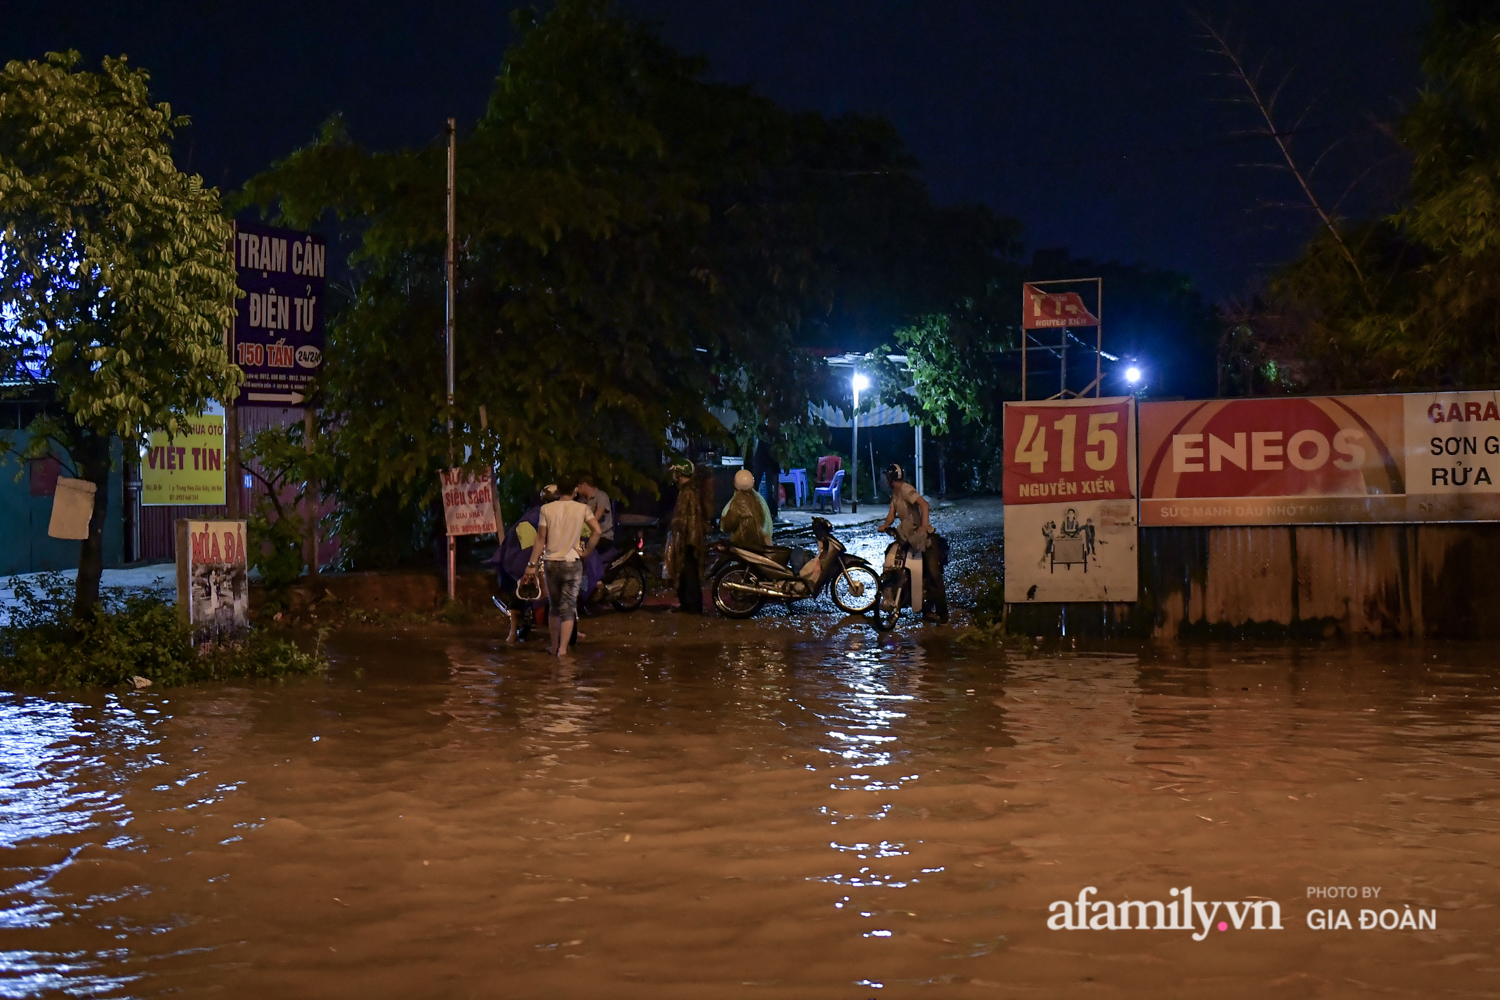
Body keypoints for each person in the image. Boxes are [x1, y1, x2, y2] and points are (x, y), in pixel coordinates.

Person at [523, 476, 602, 657]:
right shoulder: (582, 508)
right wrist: (586, 552)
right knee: (568, 607)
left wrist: (531, 564)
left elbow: (541, 538)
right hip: (572, 562)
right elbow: (597, 531)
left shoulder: (546, 509)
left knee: (554, 607)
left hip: (551, 562)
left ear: (558, 490)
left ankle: (553, 645)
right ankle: (563, 650)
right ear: (575, 490)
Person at [877, 462, 947, 623]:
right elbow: (891, 514)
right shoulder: (895, 493)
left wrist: (923, 526)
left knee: (933, 575)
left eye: (887, 477)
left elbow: (924, 504)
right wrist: (885, 526)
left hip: (926, 538)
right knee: (895, 563)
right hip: (908, 538)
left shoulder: (906, 489)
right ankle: (907, 602)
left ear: (890, 477)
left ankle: (943, 615)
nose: (885, 480)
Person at [664, 459, 707, 613]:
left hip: (687, 540)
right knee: (686, 573)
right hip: (689, 538)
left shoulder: (687, 492)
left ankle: (692, 607)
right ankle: (688, 605)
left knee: (689, 574)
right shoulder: (689, 490)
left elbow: (683, 520)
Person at [720, 468, 774, 550]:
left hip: (741, 546)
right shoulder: (760, 501)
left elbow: (726, 526)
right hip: (761, 545)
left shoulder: (734, 503)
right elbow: (767, 526)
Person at [752, 417, 782, 522]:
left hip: (772, 462)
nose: (773, 424)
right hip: (760, 459)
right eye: (771, 421)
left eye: (775, 422)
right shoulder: (762, 429)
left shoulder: (779, 435)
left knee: (772, 489)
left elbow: (781, 450)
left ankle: (773, 512)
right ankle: (753, 509)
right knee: (755, 485)